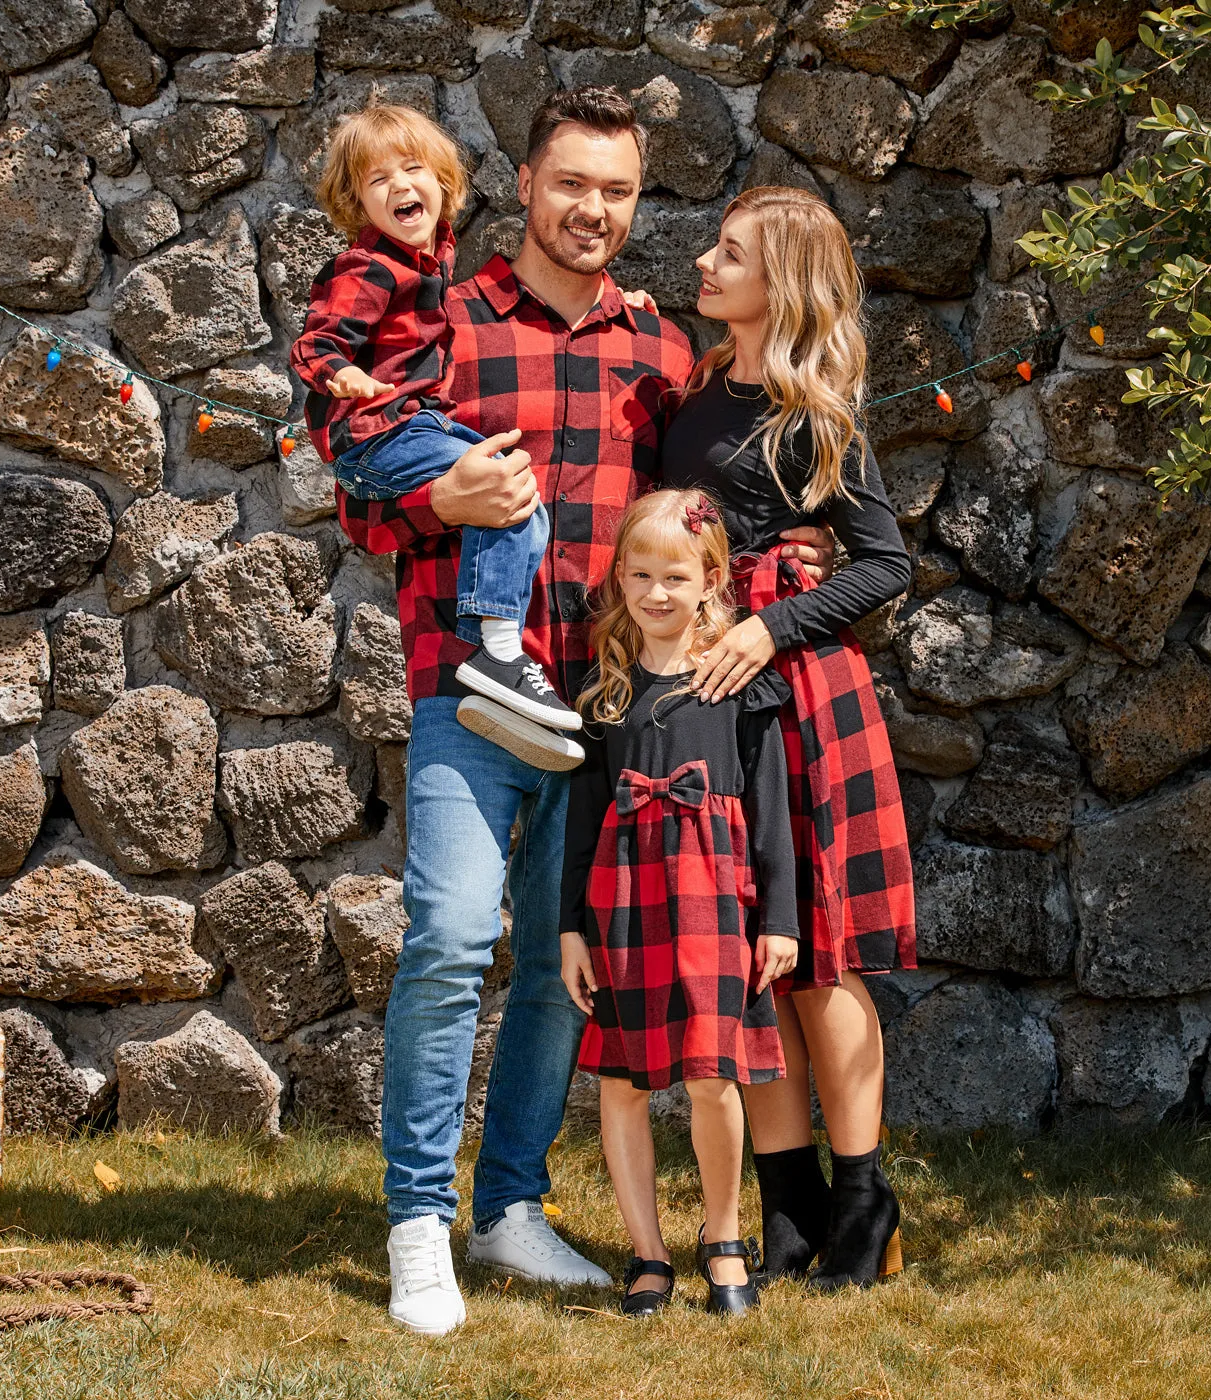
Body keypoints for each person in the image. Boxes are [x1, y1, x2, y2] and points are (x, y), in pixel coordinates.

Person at [333, 89, 837, 1335]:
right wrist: (434, 501)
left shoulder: (662, 354)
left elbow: (706, 521)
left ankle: (508, 1206)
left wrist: (786, 573)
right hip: (468, 688)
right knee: (451, 935)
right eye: (572, 185)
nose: (593, 211)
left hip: (611, 715)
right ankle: (415, 1218)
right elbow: (359, 487)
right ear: (523, 182)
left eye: (616, 191)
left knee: (572, 976)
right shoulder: (441, 320)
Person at [663, 185, 918, 1290]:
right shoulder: (692, 389)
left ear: (783, 284)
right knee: (743, 961)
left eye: (731, 255)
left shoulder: (813, 411)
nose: (707, 265)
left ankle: (862, 1201)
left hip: (799, 700)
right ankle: (788, 1205)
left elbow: (882, 563)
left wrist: (769, 623)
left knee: (816, 957)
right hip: (708, 699)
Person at [559, 489, 801, 1317]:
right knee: (623, 1083)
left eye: (675, 576)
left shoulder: (736, 680)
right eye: (639, 576)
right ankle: (647, 1254)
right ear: (619, 579)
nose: (656, 594)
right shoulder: (605, 688)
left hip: (713, 895)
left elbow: (771, 807)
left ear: (710, 580)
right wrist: (568, 929)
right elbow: (582, 820)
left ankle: (725, 1239)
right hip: (622, 899)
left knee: (711, 1076)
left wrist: (781, 920)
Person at [291, 104, 582, 752]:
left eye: (413, 168)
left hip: (407, 427)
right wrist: (345, 375)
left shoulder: (434, 264)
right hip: (377, 434)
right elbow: (314, 343)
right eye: (377, 179)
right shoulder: (365, 267)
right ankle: (496, 656)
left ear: (444, 182)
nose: (400, 185)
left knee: (514, 496)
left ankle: (497, 664)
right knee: (512, 489)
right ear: (355, 201)